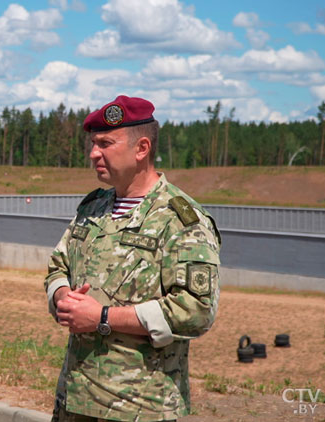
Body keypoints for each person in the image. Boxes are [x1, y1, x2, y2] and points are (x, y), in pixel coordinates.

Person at [44, 95, 221, 422]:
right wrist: (62, 297)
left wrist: (102, 317)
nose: (93, 153)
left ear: (141, 149)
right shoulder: (93, 207)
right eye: (93, 143)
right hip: (75, 397)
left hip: (139, 406)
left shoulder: (180, 219)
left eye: (105, 143)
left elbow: (196, 311)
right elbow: (58, 266)